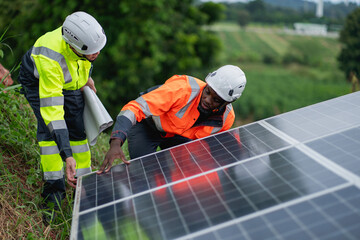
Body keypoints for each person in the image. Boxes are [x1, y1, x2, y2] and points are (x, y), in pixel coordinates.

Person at [17, 11, 106, 222]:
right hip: (39, 83)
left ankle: (84, 185)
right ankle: (53, 193)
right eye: (93, 53)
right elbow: (53, 114)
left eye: (98, 50)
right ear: (74, 46)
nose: (97, 55)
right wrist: (66, 155)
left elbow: (80, 63)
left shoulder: (83, 41)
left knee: (77, 129)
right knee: (50, 133)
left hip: (68, 83)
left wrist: (86, 79)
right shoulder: (50, 58)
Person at [98, 65, 246, 173]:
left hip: (177, 136)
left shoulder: (225, 119)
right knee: (144, 170)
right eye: (207, 91)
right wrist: (116, 142)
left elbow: (212, 146)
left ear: (228, 102)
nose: (207, 100)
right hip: (148, 128)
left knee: (176, 174)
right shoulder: (181, 90)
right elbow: (134, 108)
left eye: (216, 100)